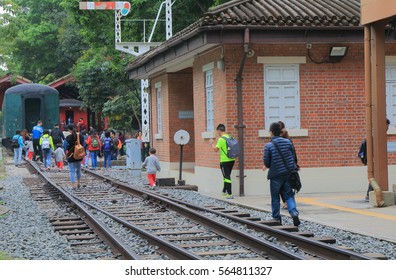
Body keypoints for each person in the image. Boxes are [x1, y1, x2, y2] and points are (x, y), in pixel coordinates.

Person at [264, 122, 300, 226]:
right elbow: (293, 158)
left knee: (275, 197)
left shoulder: (269, 145)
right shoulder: (288, 142)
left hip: (275, 175)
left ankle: (276, 218)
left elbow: (266, 162)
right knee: (289, 195)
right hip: (288, 174)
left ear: (271, 132)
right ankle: (293, 212)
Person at [360, 118, 390, 201]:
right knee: (375, 177)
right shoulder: (374, 137)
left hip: (375, 161)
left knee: (374, 177)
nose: (387, 128)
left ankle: (369, 194)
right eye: (387, 125)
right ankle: (368, 195)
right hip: (374, 161)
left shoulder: (377, 135)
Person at [209, 124, 236, 199]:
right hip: (232, 160)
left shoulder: (221, 139)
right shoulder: (231, 137)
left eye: (217, 131)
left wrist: (212, 143)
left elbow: (216, 150)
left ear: (219, 130)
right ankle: (224, 192)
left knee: (227, 177)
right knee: (226, 176)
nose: (217, 133)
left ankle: (229, 194)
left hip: (224, 161)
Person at [278, 121, 299, 210]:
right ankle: (289, 203)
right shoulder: (289, 140)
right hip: (289, 167)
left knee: (281, 186)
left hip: (280, 167)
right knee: (288, 186)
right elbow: (294, 154)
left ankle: (286, 202)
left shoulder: (276, 140)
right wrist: (294, 164)